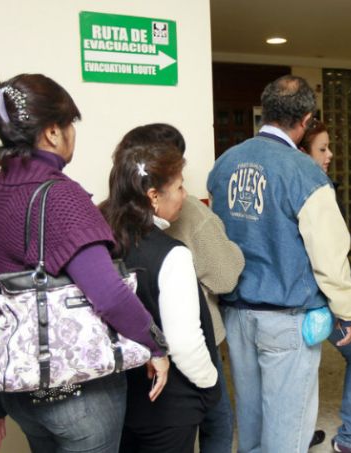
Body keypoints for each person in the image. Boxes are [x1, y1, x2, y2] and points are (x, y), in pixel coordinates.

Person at [0, 74, 170, 453]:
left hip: (21, 391)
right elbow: (109, 295)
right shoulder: (62, 198)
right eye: (70, 124)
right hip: (80, 393)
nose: (72, 134)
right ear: (53, 132)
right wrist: (155, 345)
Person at [207, 75, 351, 453]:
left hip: (236, 313)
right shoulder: (305, 173)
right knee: (288, 427)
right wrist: (347, 311)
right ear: (306, 120)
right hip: (286, 317)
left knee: (251, 418)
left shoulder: (224, 164)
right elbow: (329, 255)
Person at [112, 123, 244, 453]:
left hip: (126, 391)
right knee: (218, 425)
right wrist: (210, 383)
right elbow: (184, 343)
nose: (186, 194)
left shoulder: (106, 230)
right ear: (154, 195)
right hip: (175, 394)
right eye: (180, 186)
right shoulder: (172, 253)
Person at [299, 121, 351, 453]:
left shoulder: (286, 185)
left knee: (298, 367)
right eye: (322, 148)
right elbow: (331, 257)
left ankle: (298, 434)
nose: (330, 154)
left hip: (289, 296)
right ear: (302, 152)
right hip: (321, 296)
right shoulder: (317, 191)